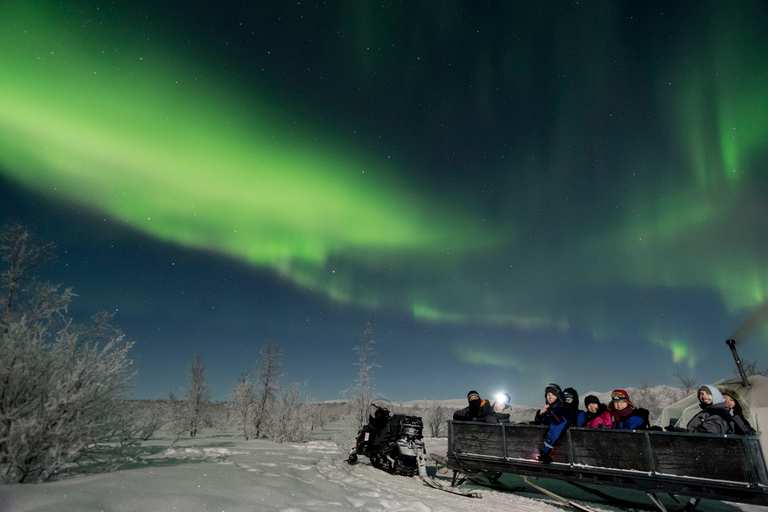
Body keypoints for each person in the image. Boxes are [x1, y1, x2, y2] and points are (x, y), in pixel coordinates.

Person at [533, 383, 573, 463]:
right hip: (549, 448)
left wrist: (544, 451)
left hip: (559, 453)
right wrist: (540, 413)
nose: (549, 396)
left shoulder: (559, 411)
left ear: (558, 396)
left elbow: (555, 431)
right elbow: (539, 424)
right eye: (548, 394)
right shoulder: (551, 410)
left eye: (552, 394)